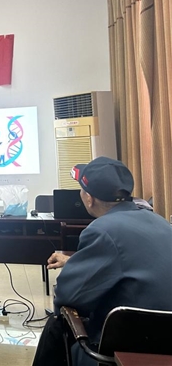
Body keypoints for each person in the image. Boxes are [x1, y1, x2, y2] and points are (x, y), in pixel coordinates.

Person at [32, 157, 172, 366]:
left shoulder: (101, 230)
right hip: (165, 344)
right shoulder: (160, 222)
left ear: (89, 199)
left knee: (57, 325)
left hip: (118, 351)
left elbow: (67, 296)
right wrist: (74, 262)